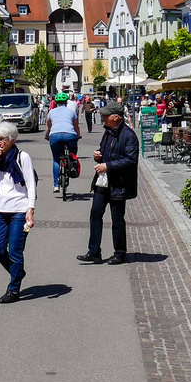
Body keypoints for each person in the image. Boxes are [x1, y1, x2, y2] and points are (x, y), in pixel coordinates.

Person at [78, 101, 139, 265]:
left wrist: (108, 165)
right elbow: (106, 152)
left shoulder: (128, 136)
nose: (103, 117)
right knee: (95, 214)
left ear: (116, 117)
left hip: (119, 183)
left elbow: (130, 161)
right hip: (103, 181)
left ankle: (120, 253)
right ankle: (94, 251)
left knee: (117, 219)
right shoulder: (108, 132)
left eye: (106, 115)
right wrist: (98, 156)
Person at [0, 121, 36, 303]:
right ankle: (18, 272)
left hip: (19, 211)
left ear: (11, 140)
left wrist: (31, 209)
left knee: (15, 251)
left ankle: (13, 290)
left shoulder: (23, 157)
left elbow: (30, 184)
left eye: (2, 139)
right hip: (0, 211)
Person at [45, 91, 80, 193]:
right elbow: (76, 126)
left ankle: (56, 184)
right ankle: (71, 164)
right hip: (70, 134)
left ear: (56, 102)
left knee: (56, 159)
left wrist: (47, 135)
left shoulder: (51, 112)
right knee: (73, 152)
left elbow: (49, 126)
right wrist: (78, 135)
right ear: (66, 102)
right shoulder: (72, 111)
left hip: (55, 135)